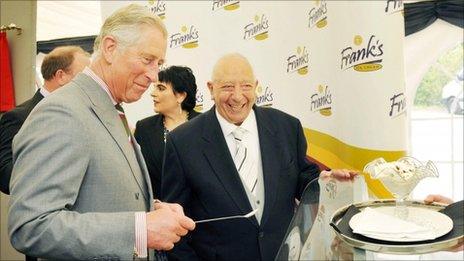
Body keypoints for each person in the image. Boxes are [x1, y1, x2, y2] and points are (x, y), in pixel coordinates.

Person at [8, 4, 194, 260]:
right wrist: (140, 229)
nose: (154, 75)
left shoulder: (110, 107)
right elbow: (31, 226)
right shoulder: (63, 112)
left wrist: (152, 211)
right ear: (110, 48)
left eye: (159, 63)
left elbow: (98, 195)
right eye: (147, 59)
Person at [161, 53, 356, 260]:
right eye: (227, 87)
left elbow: (304, 179)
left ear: (256, 86)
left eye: (245, 86)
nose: (237, 96)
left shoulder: (287, 128)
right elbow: (173, 224)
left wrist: (327, 183)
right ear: (211, 89)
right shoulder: (183, 142)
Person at [0, 45, 90, 195]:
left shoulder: (84, 112)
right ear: (60, 76)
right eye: (83, 77)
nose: (88, 84)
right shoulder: (19, 117)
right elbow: (5, 175)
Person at [134, 66, 200, 199]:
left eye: (161, 88)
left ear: (181, 96)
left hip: (200, 214)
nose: (153, 93)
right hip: (160, 212)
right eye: (154, 87)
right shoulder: (144, 128)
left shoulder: (205, 126)